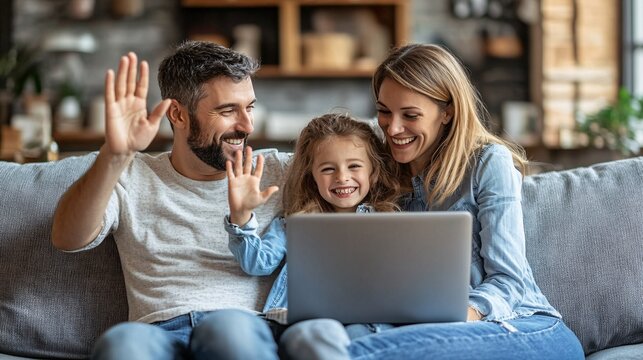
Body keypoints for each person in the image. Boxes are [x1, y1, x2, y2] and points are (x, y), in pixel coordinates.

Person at [51, 41, 294, 360]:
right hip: (157, 333)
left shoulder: (281, 170)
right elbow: (66, 238)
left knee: (226, 331)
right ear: (178, 114)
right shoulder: (131, 174)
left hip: (240, 329)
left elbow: (361, 164)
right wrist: (115, 154)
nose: (247, 126)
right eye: (227, 111)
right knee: (120, 343)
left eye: (249, 107)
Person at [343, 43, 586, 359]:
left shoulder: (487, 163)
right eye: (384, 111)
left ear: (447, 111)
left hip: (521, 327)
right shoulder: (378, 171)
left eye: (411, 115)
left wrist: (454, 319)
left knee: (360, 353)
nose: (393, 128)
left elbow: (508, 281)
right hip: (432, 330)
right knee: (344, 337)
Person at [223, 113, 401, 359]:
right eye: (328, 169)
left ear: (373, 171)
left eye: (354, 166)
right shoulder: (293, 224)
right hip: (305, 320)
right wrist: (241, 216)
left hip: (364, 319)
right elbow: (257, 263)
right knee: (314, 338)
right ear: (312, 176)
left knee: (368, 337)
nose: (342, 177)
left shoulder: (391, 222)